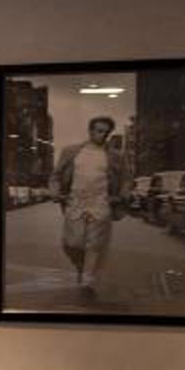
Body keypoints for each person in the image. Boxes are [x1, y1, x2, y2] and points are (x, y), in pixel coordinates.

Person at [54, 115, 121, 300]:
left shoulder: (115, 156)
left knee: (95, 246)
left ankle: (87, 284)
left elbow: (126, 178)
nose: (102, 135)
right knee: (71, 244)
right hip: (75, 203)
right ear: (90, 131)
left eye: (106, 132)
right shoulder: (71, 152)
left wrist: (120, 196)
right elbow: (56, 175)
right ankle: (81, 267)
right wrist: (55, 192)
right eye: (99, 130)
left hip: (101, 204)